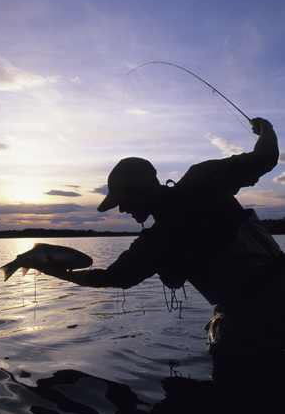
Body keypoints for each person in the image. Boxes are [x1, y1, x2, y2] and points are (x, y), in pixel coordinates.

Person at [36, 118, 285, 359]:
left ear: (140, 190)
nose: (121, 209)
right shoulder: (203, 178)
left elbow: (114, 278)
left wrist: (59, 273)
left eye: (123, 200)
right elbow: (266, 157)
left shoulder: (160, 238)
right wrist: (266, 127)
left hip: (257, 320)